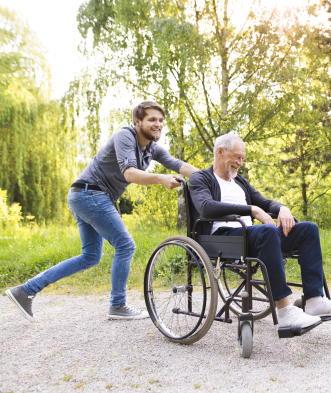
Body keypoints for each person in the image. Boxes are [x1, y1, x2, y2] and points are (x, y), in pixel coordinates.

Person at [6, 101, 199, 322]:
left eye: (161, 121)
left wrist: (208, 178)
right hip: (91, 194)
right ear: (138, 122)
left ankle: (25, 290)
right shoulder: (125, 136)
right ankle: (118, 305)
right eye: (152, 120)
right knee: (125, 245)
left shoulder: (151, 148)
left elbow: (176, 163)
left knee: (90, 256)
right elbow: (130, 174)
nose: (158, 125)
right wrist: (161, 179)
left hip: (85, 196)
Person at [189, 133, 331, 329]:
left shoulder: (240, 182)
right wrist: (251, 209)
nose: (240, 163)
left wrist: (282, 208)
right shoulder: (200, 178)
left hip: (252, 236)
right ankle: (284, 311)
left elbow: (264, 202)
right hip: (224, 239)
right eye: (237, 157)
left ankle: (314, 301)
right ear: (220, 152)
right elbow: (207, 207)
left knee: (308, 229)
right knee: (267, 231)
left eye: (242, 158)